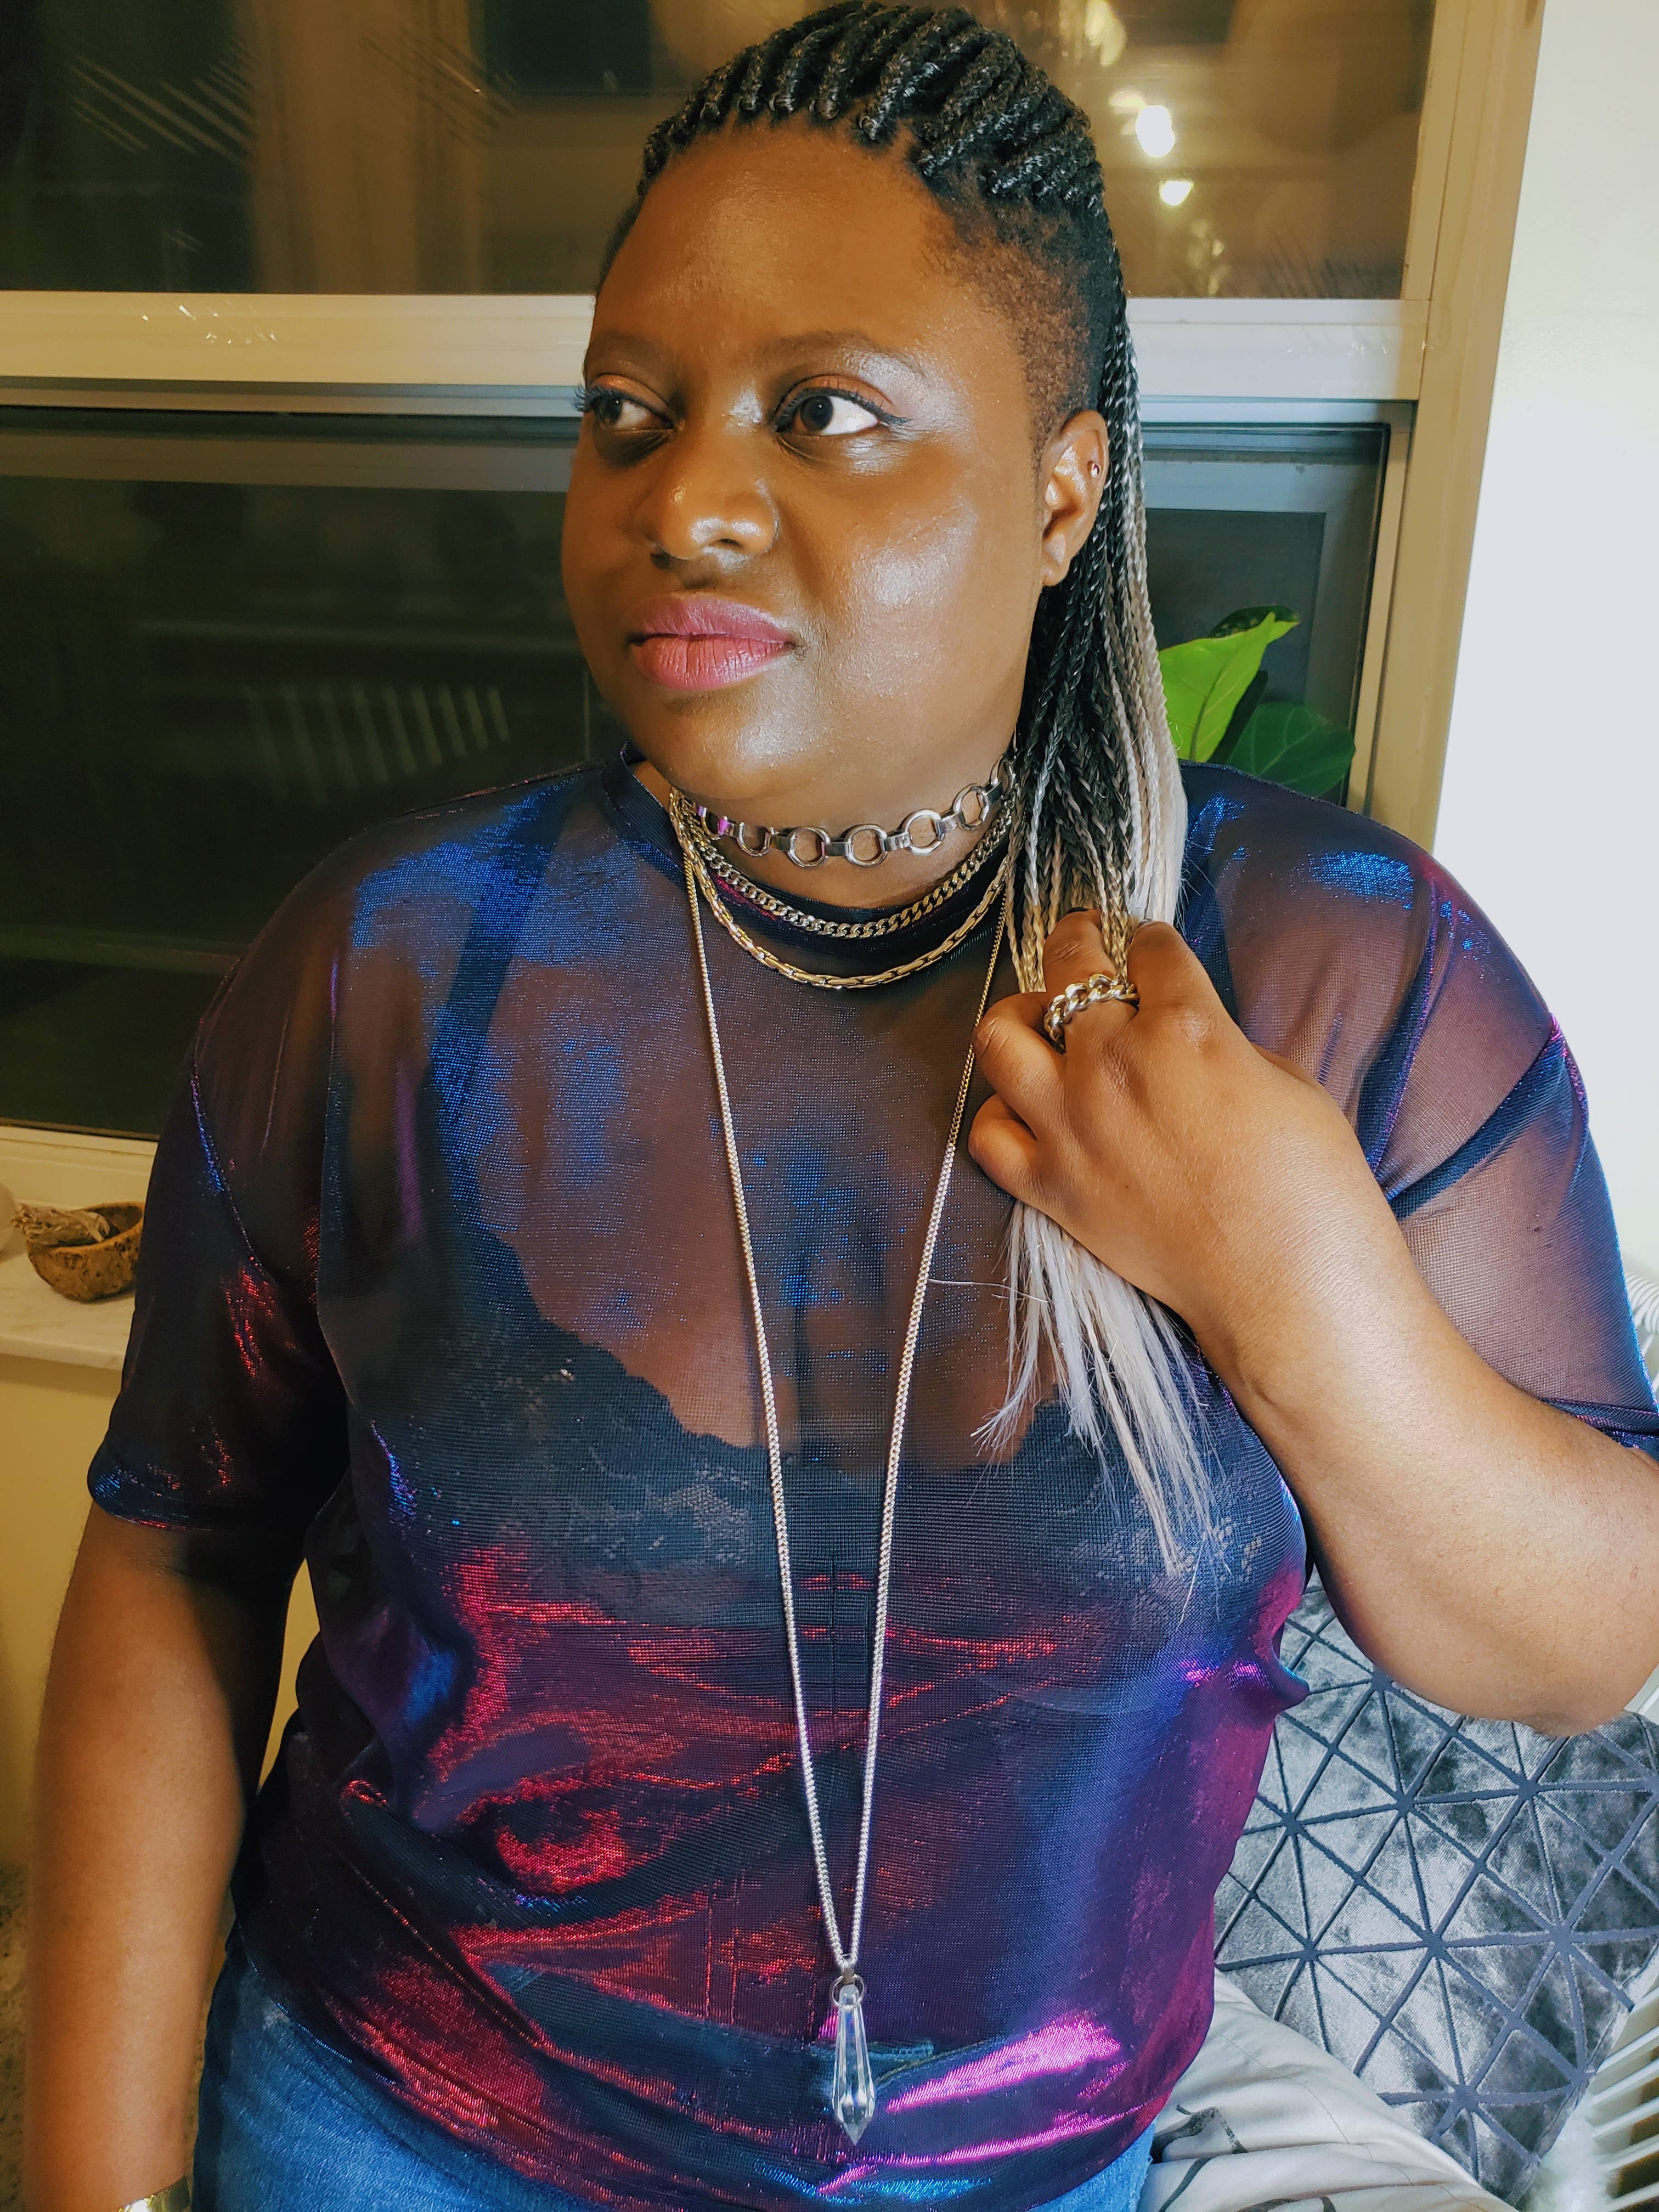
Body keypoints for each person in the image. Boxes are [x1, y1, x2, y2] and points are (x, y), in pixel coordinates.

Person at [24, 6, 1659, 2209]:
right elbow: (178, 1548)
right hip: (396, 2133)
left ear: (1063, 489)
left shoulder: (1338, 975)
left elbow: (1574, 1649)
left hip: (1018, 2175)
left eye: (825, 413)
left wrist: (1292, 1285)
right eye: (628, 414)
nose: (683, 499)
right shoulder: (395, 971)